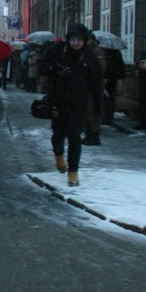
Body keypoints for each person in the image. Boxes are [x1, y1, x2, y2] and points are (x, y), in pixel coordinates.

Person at [39, 23, 102, 187]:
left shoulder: (90, 57)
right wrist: (54, 68)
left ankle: (73, 171)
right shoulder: (58, 49)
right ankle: (58, 155)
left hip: (79, 103)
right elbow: (41, 64)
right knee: (58, 134)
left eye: (79, 40)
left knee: (75, 136)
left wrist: (98, 104)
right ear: (68, 39)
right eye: (73, 40)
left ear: (85, 41)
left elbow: (97, 81)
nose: (76, 43)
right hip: (58, 100)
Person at [82, 32, 107, 146]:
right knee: (87, 110)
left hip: (95, 85)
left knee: (94, 111)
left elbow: (101, 68)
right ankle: (88, 134)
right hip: (87, 85)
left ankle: (94, 135)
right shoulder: (86, 50)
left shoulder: (97, 51)